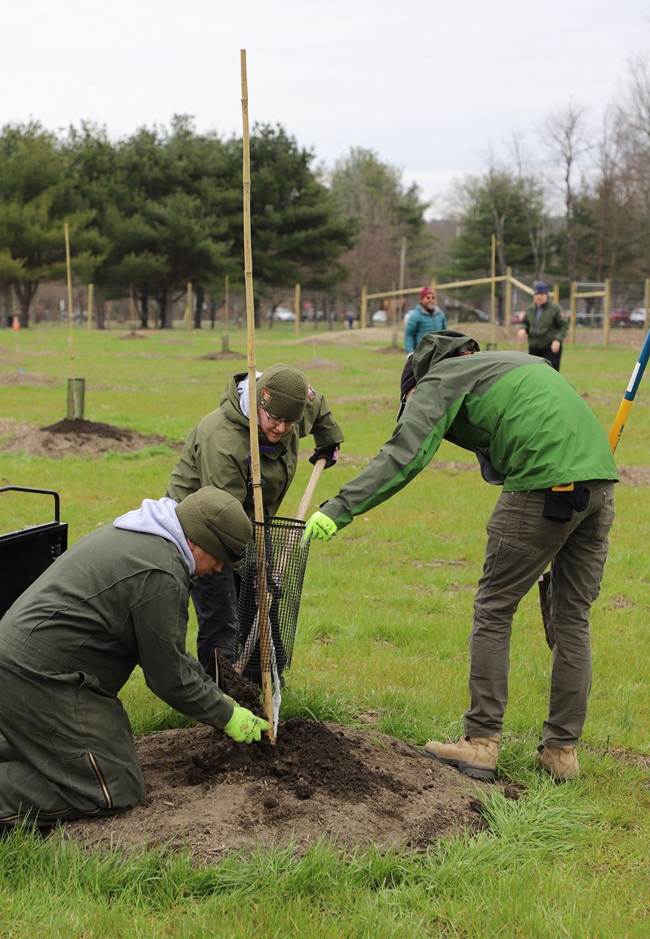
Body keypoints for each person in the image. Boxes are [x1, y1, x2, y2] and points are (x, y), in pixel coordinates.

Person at [304, 330, 617, 783]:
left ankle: (480, 743)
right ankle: (561, 753)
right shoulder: (518, 363)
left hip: (544, 487)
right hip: (600, 485)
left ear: (416, 384)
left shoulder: (439, 378)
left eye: (410, 401)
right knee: (574, 620)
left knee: (494, 609)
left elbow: (403, 454)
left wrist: (340, 508)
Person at [0, 487, 270, 830]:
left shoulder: (143, 535)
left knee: (85, 757)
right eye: (218, 557)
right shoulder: (160, 572)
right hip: (39, 677)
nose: (218, 569)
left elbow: (168, 653)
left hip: (32, 667)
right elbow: (168, 675)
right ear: (197, 541)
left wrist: (217, 698)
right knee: (112, 785)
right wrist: (227, 714)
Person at [167, 363, 344, 680]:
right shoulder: (224, 443)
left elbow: (317, 405)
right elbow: (224, 521)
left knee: (265, 609)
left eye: (289, 423)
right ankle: (221, 700)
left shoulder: (291, 403)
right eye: (274, 420)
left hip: (254, 522)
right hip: (202, 531)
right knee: (222, 616)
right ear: (261, 402)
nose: (280, 429)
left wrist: (328, 440)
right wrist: (252, 568)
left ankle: (265, 689)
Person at [517, 281, 568, 371]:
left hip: (550, 348)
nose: (539, 296)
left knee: (551, 375)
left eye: (541, 294)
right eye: (537, 294)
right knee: (534, 374)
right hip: (534, 348)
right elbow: (525, 323)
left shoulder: (555, 308)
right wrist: (523, 329)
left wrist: (557, 339)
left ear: (546, 295)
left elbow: (564, 325)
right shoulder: (530, 309)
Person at [404, 286, 448, 351]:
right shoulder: (415, 315)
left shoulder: (440, 314)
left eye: (433, 297)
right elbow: (409, 334)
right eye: (428, 297)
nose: (431, 299)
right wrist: (410, 352)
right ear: (421, 300)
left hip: (438, 351)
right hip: (421, 352)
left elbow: (446, 333)